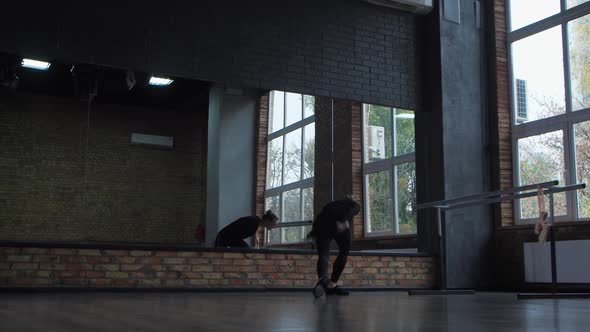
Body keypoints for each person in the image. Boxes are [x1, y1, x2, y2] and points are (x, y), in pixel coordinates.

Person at [308, 195, 360, 298]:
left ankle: (323, 280)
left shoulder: (331, 204)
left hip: (322, 224)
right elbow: (353, 209)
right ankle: (331, 285)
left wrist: (313, 233)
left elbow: (319, 218)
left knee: (323, 254)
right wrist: (343, 221)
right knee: (344, 252)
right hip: (336, 223)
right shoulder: (355, 205)